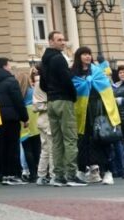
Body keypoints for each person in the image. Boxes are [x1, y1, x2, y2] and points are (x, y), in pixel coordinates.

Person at [39, 31, 85, 187]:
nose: (63, 42)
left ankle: (58, 175)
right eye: (59, 40)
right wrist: (73, 96)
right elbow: (67, 80)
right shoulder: (59, 59)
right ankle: (71, 175)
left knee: (56, 141)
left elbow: (42, 85)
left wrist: (51, 92)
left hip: (51, 101)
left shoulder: (44, 60)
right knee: (70, 139)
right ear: (51, 41)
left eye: (63, 39)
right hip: (63, 100)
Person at [70, 47, 120, 186]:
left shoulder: (97, 71)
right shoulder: (73, 73)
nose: (87, 56)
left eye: (89, 54)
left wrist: (90, 83)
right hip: (82, 111)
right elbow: (72, 89)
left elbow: (106, 89)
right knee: (83, 141)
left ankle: (108, 172)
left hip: (98, 109)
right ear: (78, 56)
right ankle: (83, 171)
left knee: (102, 139)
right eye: (84, 54)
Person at [0, 57, 26, 187]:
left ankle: (4, 174)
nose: (10, 67)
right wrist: (25, 117)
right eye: (9, 65)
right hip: (12, 118)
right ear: (5, 66)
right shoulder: (11, 81)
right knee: (13, 146)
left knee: (2, 146)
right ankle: (13, 174)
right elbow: (18, 101)